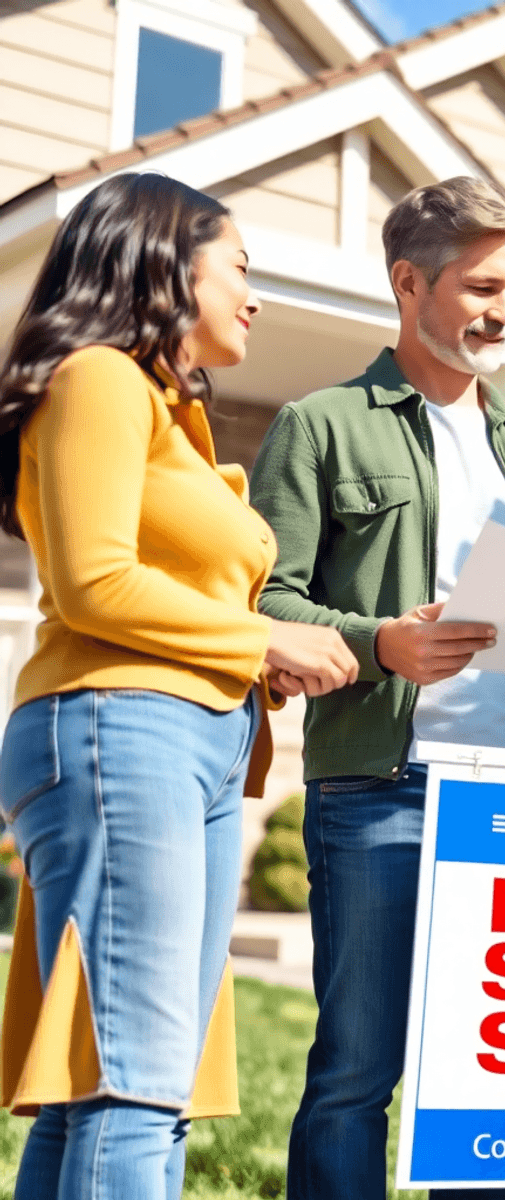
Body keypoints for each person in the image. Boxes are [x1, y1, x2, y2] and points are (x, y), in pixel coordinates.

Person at [0, 173, 358, 1200]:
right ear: (166, 262)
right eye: (240, 268)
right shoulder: (100, 377)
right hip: (122, 724)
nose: (255, 297)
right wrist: (261, 637)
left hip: (184, 739)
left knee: (124, 1081)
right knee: (138, 1079)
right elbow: (95, 582)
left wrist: (261, 656)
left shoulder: (172, 414)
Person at [250, 175, 505, 1200]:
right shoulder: (321, 425)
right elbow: (267, 601)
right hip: (380, 791)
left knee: (495, 1081)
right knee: (358, 1072)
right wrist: (379, 642)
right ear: (409, 283)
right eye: (484, 287)